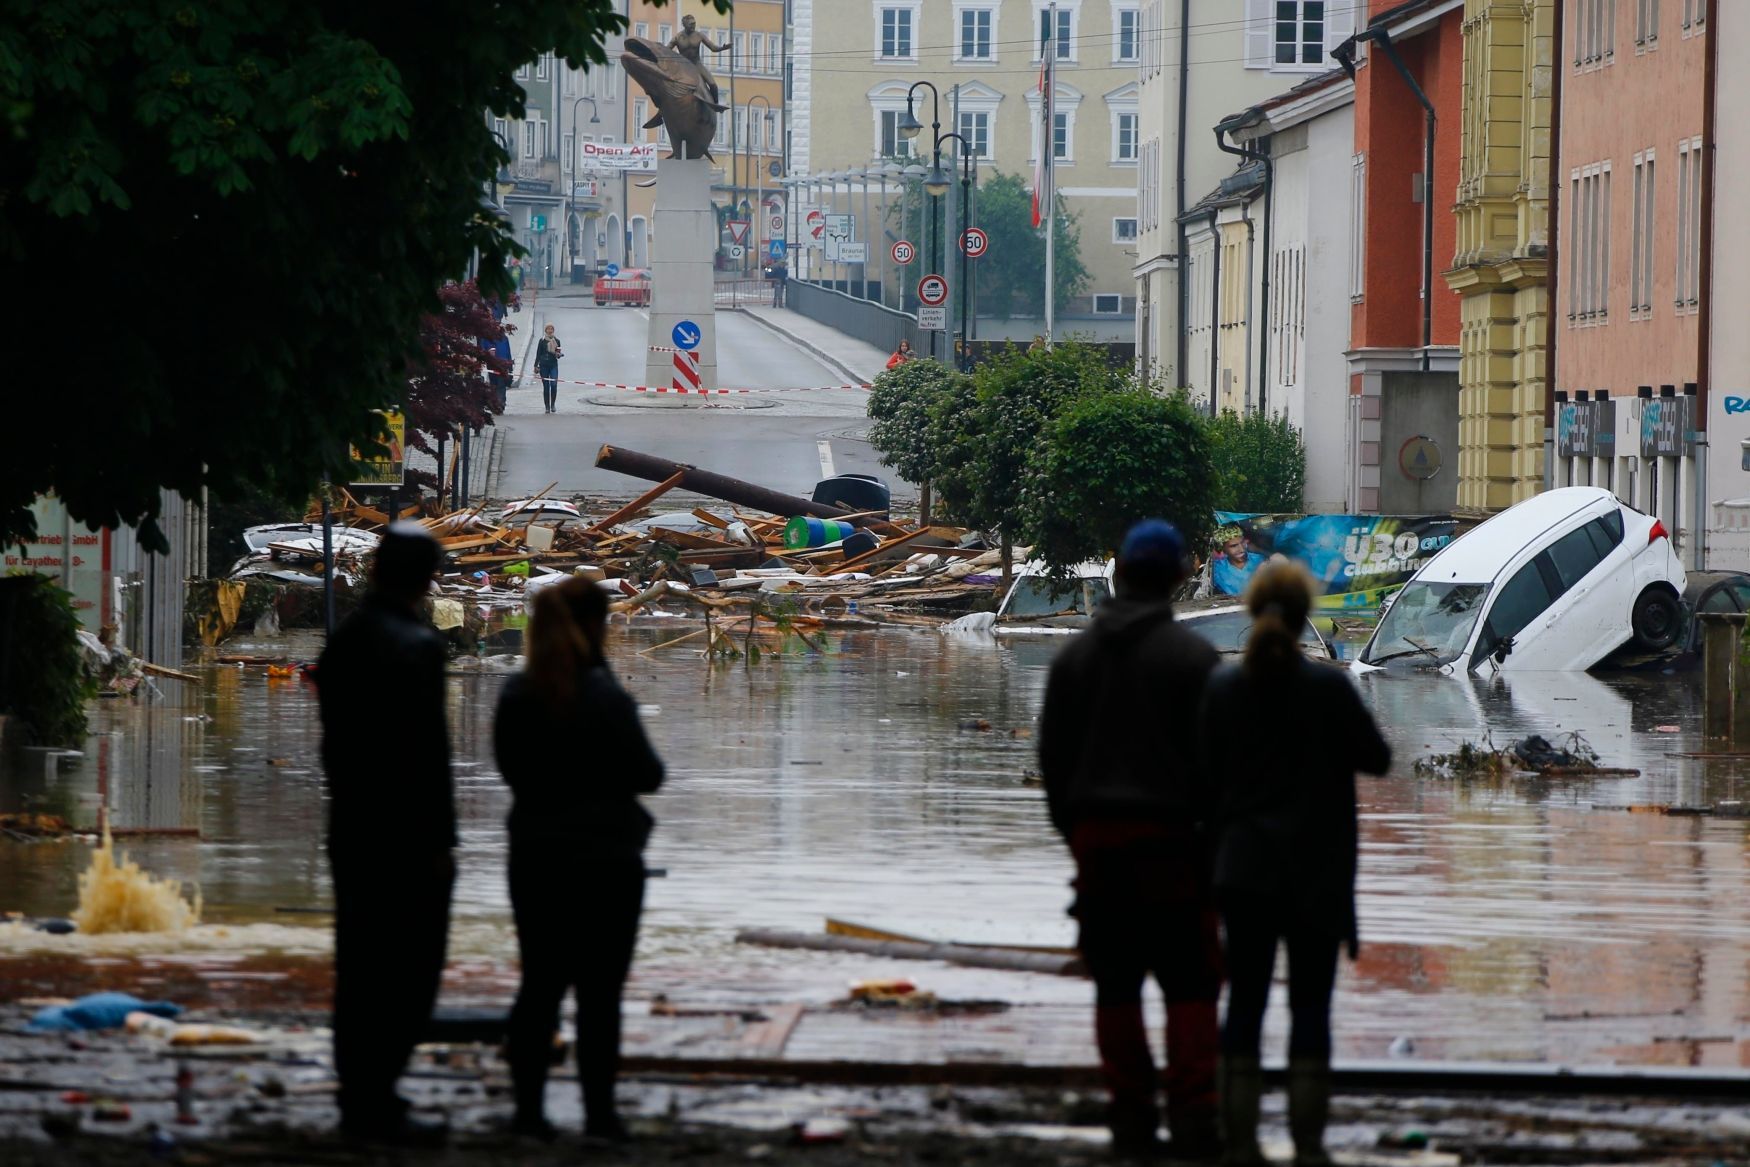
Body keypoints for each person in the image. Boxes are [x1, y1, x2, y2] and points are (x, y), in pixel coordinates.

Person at [1038, 519, 1224, 1159]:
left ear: (1118, 573)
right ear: (1178, 577)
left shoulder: (1074, 660)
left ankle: (1132, 1117)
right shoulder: (1195, 662)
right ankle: (1195, 1115)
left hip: (1100, 845)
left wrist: (1081, 837)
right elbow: (1218, 772)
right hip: (1177, 848)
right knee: (1192, 984)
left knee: (1115, 984)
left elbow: (1054, 769)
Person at [1197, 561, 1391, 1167]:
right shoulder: (1329, 690)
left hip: (1244, 872)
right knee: (1311, 1006)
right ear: (1305, 616)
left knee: (1245, 1004)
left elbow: (1199, 787)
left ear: (1251, 612)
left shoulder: (1224, 689)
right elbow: (1379, 760)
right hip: (1317, 873)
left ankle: (1240, 1142)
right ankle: (1308, 1145)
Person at [493, 579, 664, 1141]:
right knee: (600, 993)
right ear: (596, 626)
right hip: (607, 857)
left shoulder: (518, 694)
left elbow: (511, 771)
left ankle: (527, 1113)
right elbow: (649, 774)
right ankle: (599, 1114)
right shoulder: (603, 694)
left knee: (539, 984)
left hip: (535, 854)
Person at [315, 523, 453, 1143]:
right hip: (410, 831)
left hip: (354, 822)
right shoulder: (417, 646)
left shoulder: (344, 640)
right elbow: (428, 754)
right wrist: (440, 838)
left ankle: (359, 1094)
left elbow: (335, 744)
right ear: (425, 579)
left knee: (361, 961)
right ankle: (381, 1092)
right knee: (409, 965)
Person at [667, 14, 730, 109]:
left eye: (694, 24)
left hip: (697, 64)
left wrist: (723, 48)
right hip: (683, 66)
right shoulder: (678, 37)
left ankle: (715, 105)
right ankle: (662, 111)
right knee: (668, 86)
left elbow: (713, 48)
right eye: (691, 24)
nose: (693, 26)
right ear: (684, 25)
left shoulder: (699, 35)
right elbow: (666, 50)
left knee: (713, 85)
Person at [1211, 527, 1265, 596]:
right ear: (1223, 549)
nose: (1241, 549)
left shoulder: (1260, 560)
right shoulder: (1217, 569)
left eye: (1242, 543)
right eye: (1234, 546)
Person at [534, 324, 562, 413]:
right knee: (546, 386)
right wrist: (536, 365)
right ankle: (547, 406)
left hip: (553, 365)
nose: (550, 330)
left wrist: (558, 355)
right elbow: (538, 354)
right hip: (544, 365)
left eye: (551, 329)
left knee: (553, 385)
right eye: (548, 329)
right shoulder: (542, 341)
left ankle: (553, 404)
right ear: (545, 330)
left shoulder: (557, 341)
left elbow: (558, 354)